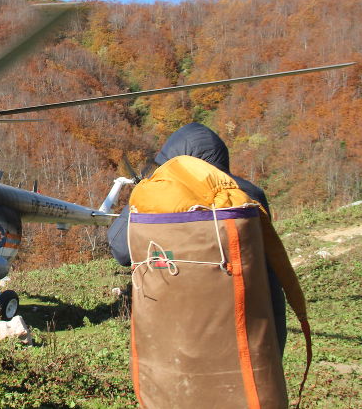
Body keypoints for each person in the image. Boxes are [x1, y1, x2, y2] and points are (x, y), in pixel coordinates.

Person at [107, 122, 287, 352]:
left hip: (187, 336)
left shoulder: (167, 197)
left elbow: (120, 249)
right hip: (257, 336)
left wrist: (142, 195)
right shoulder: (250, 194)